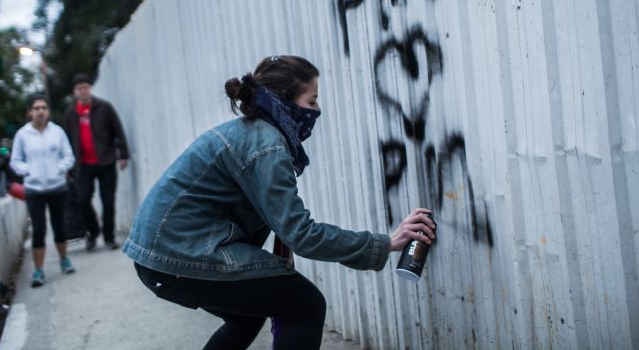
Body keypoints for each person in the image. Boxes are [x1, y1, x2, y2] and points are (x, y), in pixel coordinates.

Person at [123, 55, 436, 350]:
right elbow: (301, 235)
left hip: (163, 251)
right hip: (175, 253)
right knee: (305, 304)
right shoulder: (267, 146)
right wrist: (386, 243)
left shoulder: (255, 134)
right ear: (285, 102)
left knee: (248, 316)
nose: (318, 110)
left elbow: (280, 224)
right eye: (311, 100)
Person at [10, 94, 76, 287]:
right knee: (38, 229)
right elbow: (15, 161)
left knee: (59, 226)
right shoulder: (22, 135)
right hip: (34, 189)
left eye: (43, 108)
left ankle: (64, 259)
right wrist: (28, 171)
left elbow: (68, 156)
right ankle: (38, 271)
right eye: (36, 108)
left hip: (57, 187)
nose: (40, 111)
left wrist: (60, 169)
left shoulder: (57, 132)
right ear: (30, 112)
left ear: (48, 111)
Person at [63, 73, 130, 251]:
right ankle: (93, 233)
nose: (83, 91)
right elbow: (66, 140)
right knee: (83, 199)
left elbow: (118, 130)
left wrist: (123, 153)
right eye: (79, 88)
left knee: (108, 200)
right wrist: (67, 165)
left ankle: (109, 237)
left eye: (85, 87)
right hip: (82, 165)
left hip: (106, 161)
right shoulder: (70, 114)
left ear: (90, 88)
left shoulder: (104, 107)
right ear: (74, 92)